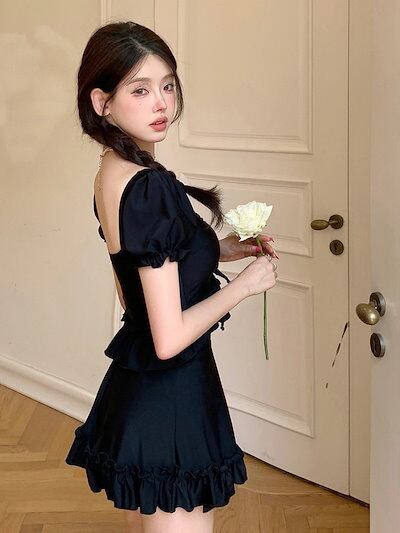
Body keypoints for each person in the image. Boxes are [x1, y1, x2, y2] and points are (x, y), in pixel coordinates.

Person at [65, 20, 278, 533]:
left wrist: (221, 250)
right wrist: (245, 286)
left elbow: (134, 287)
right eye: (140, 90)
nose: (161, 103)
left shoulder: (112, 172)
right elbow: (167, 339)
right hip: (171, 399)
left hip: (143, 393)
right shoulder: (148, 186)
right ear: (102, 102)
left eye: (167, 85)